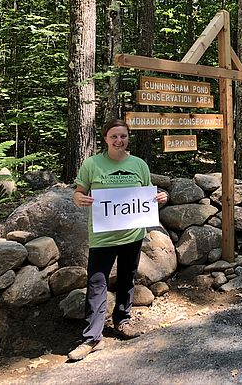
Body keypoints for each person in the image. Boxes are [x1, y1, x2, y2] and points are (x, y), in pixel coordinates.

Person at [67, 119, 168, 361]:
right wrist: (78, 198)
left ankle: (123, 321)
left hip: (131, 235)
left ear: (128, 137)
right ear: (105, 139)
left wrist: (159, 197)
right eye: (114, 136)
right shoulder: (92, 164)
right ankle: (92, 338)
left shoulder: (139, 165)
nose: (119, 140)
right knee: (96, 284)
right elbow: (79, 192)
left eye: (123, 136)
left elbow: (147, 194)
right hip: (102, 236)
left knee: (126, 279)